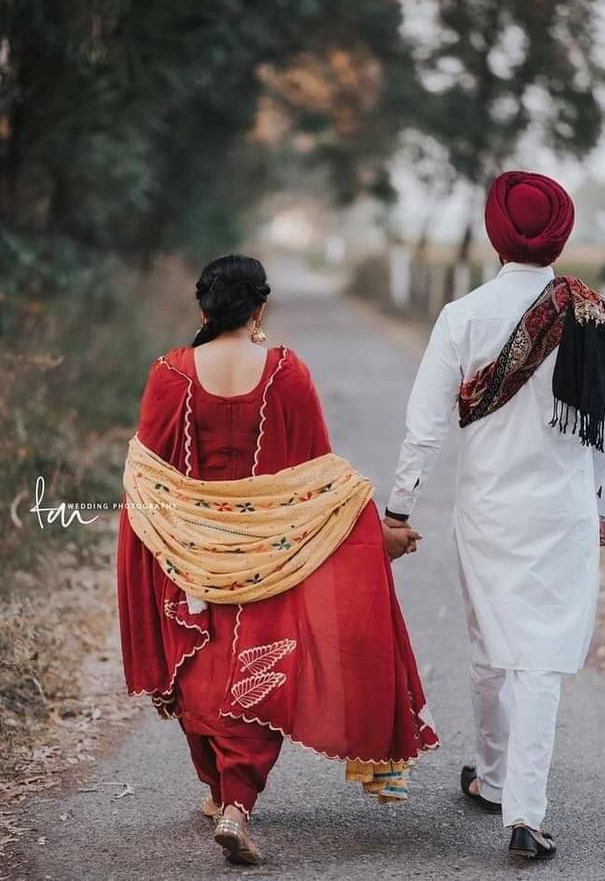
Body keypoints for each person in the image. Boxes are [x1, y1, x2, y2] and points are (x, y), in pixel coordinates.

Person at [117, 254, 437, 866]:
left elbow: (149, 477)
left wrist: (152, 540)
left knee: (200, 671)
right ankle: (235, 802)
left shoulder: (170, 374)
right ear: (260, 309)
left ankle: (220, 793)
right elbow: (320, 481)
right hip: (274, 558)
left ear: (203, 308)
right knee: (260, 671)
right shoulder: (287, 372)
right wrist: (375, 528)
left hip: (188, 557)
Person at [384, 171, 605, 860]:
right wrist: (603, 505)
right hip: (564, 512)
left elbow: (425, 426)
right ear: (561, 233)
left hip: (489, 512)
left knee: (492, 644)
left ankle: (495, 780)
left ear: (495, 234)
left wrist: (399, 506)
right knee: (541, 660)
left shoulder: (463, 317)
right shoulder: (594, 316)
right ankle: (519, 810)